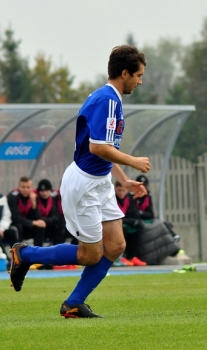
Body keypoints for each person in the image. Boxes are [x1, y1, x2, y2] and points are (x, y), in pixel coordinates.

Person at [9, 44, 150, 318]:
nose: (140, 81)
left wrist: (124, 179)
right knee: (90, 255)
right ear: (124, 73)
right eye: (138, 75)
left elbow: (103, 148)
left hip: (100, 181)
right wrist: (132, 161)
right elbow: (98, 147)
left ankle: (74, 303)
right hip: (84, 184)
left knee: (117, 245)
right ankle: (24, 255)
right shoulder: (107, 100)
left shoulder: (112, 98)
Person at [115, 181, 147, 266]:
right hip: (116, 224)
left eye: (123, 190)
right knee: (122, 229)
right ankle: (121, 257)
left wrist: (129, 221)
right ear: (115, 190)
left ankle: (133, 256)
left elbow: (135, 215)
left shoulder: (130, 199)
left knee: (139, 227)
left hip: (127, 222)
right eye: (119, 190)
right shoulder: (112, 199)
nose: (121, 193)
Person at [7, 176, 46, 247]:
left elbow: (36, 217)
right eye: (23, 187)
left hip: (27, 226)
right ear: (19, 187)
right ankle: (18, 253)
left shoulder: (33, 197)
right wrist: (33, 222)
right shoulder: (12, 196)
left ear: (32, 188)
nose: (25, 189)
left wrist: (34, 203)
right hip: (15, 226)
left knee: (40, 226)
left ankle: (38, 252)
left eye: (28, 187)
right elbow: (15, 217)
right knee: (18, 226)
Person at [36, 179, 66, 246]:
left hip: (50, 226)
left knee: (60, 225)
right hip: (38, 228)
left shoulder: (53, 199)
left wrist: (44, 221)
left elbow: (56, 217)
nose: (44, 193)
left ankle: (59, 251)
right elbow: (35, 216)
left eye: (47, 190)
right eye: (42, 191)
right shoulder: (35, 199)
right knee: (39, 227)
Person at [0, 192, 19, 270]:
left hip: (1, 229)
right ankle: (6, 260)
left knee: (12, 232)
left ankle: (16, 260)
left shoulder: (2, 198)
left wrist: (1, 228)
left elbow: (6, 216)